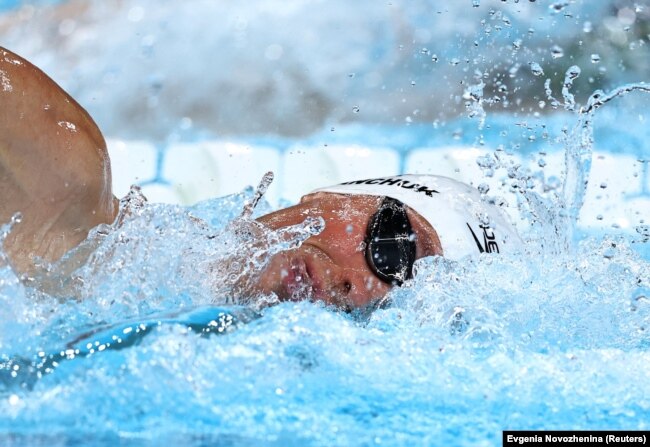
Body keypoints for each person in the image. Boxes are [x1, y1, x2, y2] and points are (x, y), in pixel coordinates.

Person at [0, 46, 523, 311]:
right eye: (394, 247)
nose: (361, 287)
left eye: (399, 301)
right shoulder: (61, 191)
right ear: (331, 196)